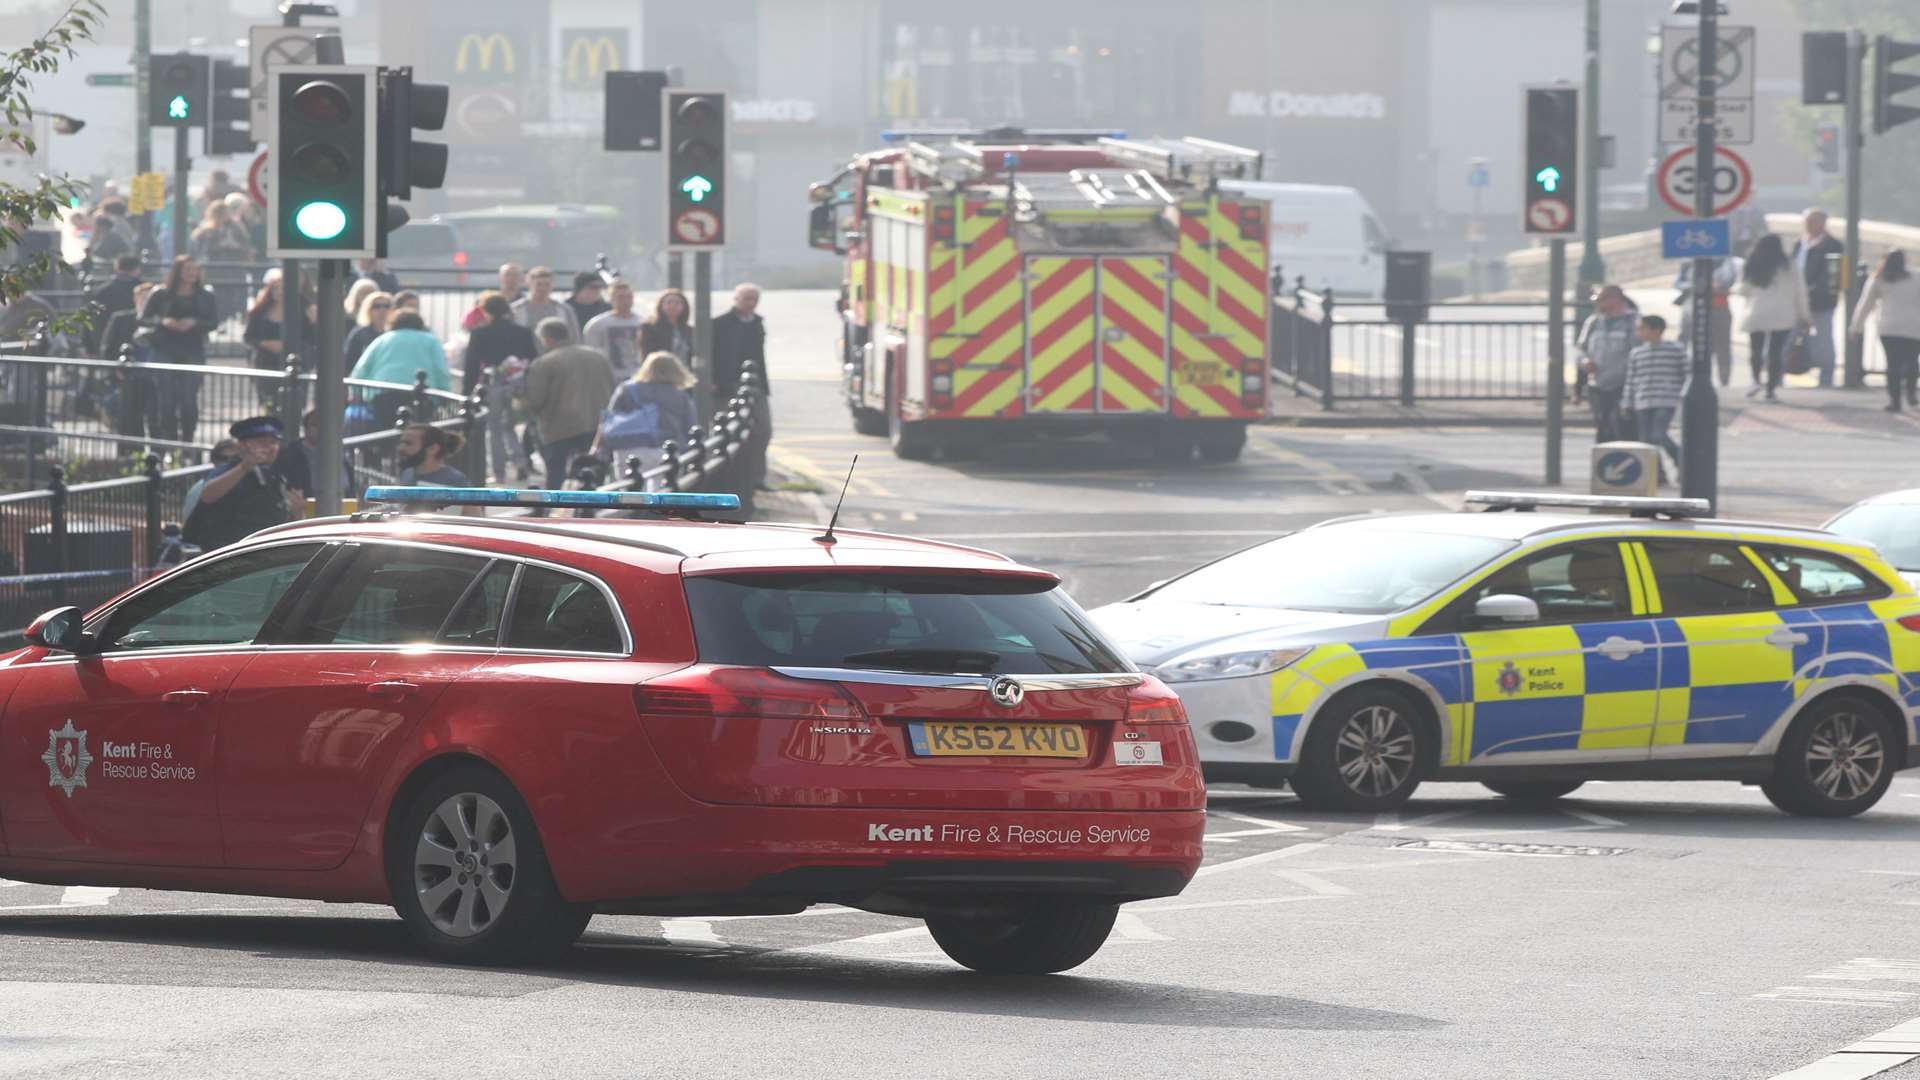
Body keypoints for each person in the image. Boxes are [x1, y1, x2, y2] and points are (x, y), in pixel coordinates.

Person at [524, 317, 619, 490]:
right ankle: (592, 508)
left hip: (559, 426)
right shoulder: (598, 356)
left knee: (556, 473)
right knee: (594, 471)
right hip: (596, 424)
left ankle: (555, 511)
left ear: (546, 338)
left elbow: (535, 400)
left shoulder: (545, 363)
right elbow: (613, 389)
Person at [183, 417, 297, 551]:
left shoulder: (275, 475)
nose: (270, 448)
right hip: (228, 553)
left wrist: (297, 512)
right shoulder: (231, 470)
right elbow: (208, 495)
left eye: (273, 442)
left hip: (263, 550)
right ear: (242, 446)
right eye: (262, 442)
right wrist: (244, 467)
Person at [138, 255, 218, 443]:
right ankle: (168, 440)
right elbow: (143, 318)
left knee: (188, 398)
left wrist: (195, 323)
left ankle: (188, 438)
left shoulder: (206, 295)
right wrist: (163, 321)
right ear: (177, 271)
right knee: (166, 400)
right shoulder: (160, 293)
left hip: (192, 348)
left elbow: (213, 322)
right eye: (187, 269)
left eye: (194, 270)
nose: (191, 274)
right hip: (164, 347)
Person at [1735, 234, 1810, 402]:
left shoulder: (1752, 264)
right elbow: (1800, 293)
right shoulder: (1789, 266)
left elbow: (1743, 291)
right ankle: (1770, 389)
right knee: (1776, 352)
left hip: (1756, 312)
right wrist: (1804, 316)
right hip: (1783, 314)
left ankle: (1755, 381)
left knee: (1755, 349)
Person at [711, 283, 770, 490]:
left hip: (756, 385)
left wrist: (762, 384)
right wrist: (713, 380)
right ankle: (726, 479)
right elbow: (711, 353)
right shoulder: (719, 323)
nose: (751, 303)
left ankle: (757, 478)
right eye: (746, 298)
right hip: (727, 384)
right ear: (736, 299)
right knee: (728, 432)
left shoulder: (757, 323)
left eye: (754, 299)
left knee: (763, 431)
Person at [350, 309, 452, 429]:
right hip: (422, 397)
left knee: (385, 434)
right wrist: (444, 396)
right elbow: (441, 370)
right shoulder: (431, 340)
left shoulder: (383, 339)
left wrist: (358, 394)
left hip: (383, 396)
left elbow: (360, 370)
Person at [596, 350, 698, 470]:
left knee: (629, 487)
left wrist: (601, 450)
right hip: (665, 451)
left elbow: (609, 422)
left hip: (626, 450)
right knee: (664, 488)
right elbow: (691, 428)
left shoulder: (626, 389)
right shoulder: (680, 396)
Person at [1850, 250, 1920, 413]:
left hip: (1889, 328)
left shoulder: (1879, 278)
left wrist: (1855, 328)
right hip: (1914, 328)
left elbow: (1865, 305)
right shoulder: (1916, 277)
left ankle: (1894, 401)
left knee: (1892, 364)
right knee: (1912, 361)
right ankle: (1911, 394)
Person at [1623, 314, 1688, 484]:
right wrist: (1627, 402)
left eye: (1642, 328)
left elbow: (1686, 374)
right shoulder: (1636, 353)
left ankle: (1681, 461)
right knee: (1647, 441)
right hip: (1643, 400)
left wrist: (1683, 395)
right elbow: (1631, 379)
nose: (1639, 332)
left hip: (1666, 400)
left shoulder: (1675, 349)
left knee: (1658, 435)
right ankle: (1658, 474)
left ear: (1656, 330)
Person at [1792, 209, 1845, 389]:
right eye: (1806, 221)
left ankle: (1826, 379)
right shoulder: (1799, 243)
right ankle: (1778, 377)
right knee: (1788, 338)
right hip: (1796, 302)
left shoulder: (1833, 245)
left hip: (1820, 302)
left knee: (1824, 340)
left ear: (1822, 223)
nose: (1808, 225)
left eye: (1812, 221)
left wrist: (1808, 292)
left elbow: (1831, 276)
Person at [1576, 285, 1636, 443]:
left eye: (1601, 300)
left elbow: (1638, 352)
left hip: (1624, 385)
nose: (1597, 304)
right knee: (1602, 428)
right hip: (1598, 385)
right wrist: (1584, 362)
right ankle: (1605, 466)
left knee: (1623, 429)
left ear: (1615, 300)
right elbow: (1582, 351)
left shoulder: (1634, 322)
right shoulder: (1593, 322)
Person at [1674, 254, 1740, 388]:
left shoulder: (1725, 260)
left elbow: (1728, 281)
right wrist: (1694, 285)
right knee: (1694, 345)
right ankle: (1693, 379)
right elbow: (1678, 282)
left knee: (1722, 347)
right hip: (1692, 306)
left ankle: (1724, 381)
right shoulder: (1689, 260)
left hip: (1718, 307)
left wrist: (1713, 285)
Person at [275, 408, 353, 505]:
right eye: (314, 425)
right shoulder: (289, 454)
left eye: (325, 425)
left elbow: (350, 488)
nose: (320, 429)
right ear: (305, 428)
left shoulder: (339, 454)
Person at [582, 280, 646, 376]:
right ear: (611, 299)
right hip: (609, 376)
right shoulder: (597, 324)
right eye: (620, 297)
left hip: (638, 375)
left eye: (629, 297)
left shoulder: (643, 322)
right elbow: (590, 354)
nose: (625, 301)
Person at [85, 253, 143, 357]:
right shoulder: (141, 290)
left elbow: (88, 318)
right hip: (136, 342)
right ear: (137, 269)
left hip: (104, 341)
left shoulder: (101, 291)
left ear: (117, 267)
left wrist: (89, 346)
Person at [179, 438, 241, 523]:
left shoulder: (250, 486)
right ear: (214, 460)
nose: (228, 463)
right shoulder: (198, 490)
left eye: (235, 459)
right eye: (223, 458)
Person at [512, 266, 580, 342]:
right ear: (529, 284)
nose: (543, 288)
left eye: (547, 284)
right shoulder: (516, 309)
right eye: (539, 284)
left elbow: (574, 337)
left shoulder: (564, 309)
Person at [242, 270, 288, 374]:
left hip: (290, 363)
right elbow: (248, 337)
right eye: (276, 288)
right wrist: (264, 343)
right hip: (265, 363)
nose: (279, 292)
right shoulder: (259, 312)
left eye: (283, 289)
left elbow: (308, 337)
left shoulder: (298, 312)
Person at [396, 424, 469, 487]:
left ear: (433, 448)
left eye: (408, 443)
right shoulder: (407, 474)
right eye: (401, 443)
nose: (401, 448)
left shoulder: (455, 480)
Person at [639, 288, 694, 370]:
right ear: (661, 305)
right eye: (669, 302)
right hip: (660, 374)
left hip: (684, 374)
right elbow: (647, 355)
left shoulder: (688, 330)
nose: (673, 306)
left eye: (677, 303)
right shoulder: (650, 327)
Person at [463, 263, 526, 331]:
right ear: (500, 277)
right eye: (507, 274)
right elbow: (469, 323)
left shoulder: (527, 301)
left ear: (522, 278)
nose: (511, 278)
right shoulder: (486, 300)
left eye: (515, 275)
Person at [189, 200, 253, 264]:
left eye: (225, 212)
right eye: (221, 213)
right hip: (211, 266)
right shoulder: (204, 232)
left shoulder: (235, 228)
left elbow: (245, 246)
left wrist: (234, 246)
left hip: (233, 266)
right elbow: (200, 251)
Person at [344, 290, 393, 370]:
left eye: (386, 306)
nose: (382, 310)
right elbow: (348, 362)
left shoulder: (395, 334)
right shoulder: (360, 334)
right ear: (368, 310)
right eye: (376, 306)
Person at [85, 198, 134, 264]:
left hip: (112, 260)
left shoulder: (108, 222)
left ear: (108, 211)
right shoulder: (125, 222)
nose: (100, 213)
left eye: (102, 211)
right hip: (126, 257)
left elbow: (95, 247)